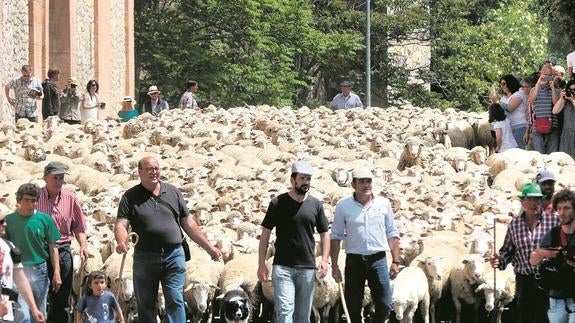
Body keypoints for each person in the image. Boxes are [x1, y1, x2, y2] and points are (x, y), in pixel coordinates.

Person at [114, 156, 222, 323]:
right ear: (140, 172)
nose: (154, 172)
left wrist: (209, 247)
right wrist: (122, 241)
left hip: (174, 255)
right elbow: (121, 224)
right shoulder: (130, 196)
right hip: (145, 257)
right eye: (149, 169)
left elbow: (188, 222)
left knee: (175, 298)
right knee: (145, 302)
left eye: (156, 168)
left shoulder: (172, 192)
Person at [257, 160, 330, 323]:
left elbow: (325, 233)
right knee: (284, 312)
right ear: (293, 180)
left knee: (303, 316)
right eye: (302, 178)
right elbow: (265, 234)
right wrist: (262, 263)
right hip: (283, 267)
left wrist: (324, 260)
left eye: (308, 179)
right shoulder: (277, 203)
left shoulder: (315, 205)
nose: (306, 182)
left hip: (307, 268)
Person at [330, 167, 401, 323]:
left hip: (378, 260)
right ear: (353, 184)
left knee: (385, 304)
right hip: (355, 260)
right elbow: (335, 236)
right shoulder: (343, 206)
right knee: (353, 305)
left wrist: (396, 261)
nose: (366, 185)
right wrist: (334, 265)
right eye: (361, 182)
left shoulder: (383, 204)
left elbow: (392, 232)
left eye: (368, 181)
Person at [489, 182, 560, 323]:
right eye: (530, 199)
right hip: (525, 281)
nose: (534, 203)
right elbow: (508, 251)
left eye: (537, 199)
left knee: (545, 318)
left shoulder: (554, 221)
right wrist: (499, 260)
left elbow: (566, 246)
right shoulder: (514, 225)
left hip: (549, 279)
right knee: (525, 317)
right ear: (522, 201)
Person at [37, 161, 90, 323]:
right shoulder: (36, 198)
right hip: (40, 251)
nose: (59, 182)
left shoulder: (70, 198)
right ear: (45, 178)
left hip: (63, 249)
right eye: (55, 178)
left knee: (62, 297)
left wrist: (83, 245)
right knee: (41, 295)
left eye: (61, 178)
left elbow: (79, 226)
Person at [5, 183, 61, 323]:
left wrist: (56, 272)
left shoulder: (45, 219)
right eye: (27, 200)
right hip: (18, 271)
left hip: (39, 270)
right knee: (22, 314)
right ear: (19, 200)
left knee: (40, 312)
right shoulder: (8, 221)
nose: (31, 204)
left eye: (34, 200)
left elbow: (53, 247)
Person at [529, 188, 575, 323]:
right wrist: (541, 253)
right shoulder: (553, 234)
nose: (562, 212)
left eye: (566, 208)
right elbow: (533, 261)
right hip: (556, 298)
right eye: (559, 208)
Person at [0, 210, 45, 323]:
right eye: (1, 221)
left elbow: (21, 280)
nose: (5, 224)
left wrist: (34, 308)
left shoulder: (9, 247)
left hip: (7, 315)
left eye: (4, 221)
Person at [529, 63, 561, 154]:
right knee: (539, 157)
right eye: (545, 75)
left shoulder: (557, 90)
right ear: (540, 74)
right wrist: (538, 84)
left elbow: (556, 104)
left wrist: (553, 88)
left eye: (550, 76)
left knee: (552, 157)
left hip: (552, 128)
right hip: (537, 128)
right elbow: (531, 100)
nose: (547, 78)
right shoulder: (534, 89)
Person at [491, 75, 528, 149]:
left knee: (518, 151)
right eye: (500, 84)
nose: (501, 86)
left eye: (504, 84)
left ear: (510, 83)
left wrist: (497, 101)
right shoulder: (503, 98)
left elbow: (510, 108)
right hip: (508, 129)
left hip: (520, 127)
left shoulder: (518, 94)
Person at [553, 80, 575, 158]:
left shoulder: (571, 100)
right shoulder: (566, 101)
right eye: (570, 90)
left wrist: (572, 100)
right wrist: (562, 98)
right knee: (568, 161)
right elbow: (555, 111)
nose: (572, 92)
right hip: (567, 134)